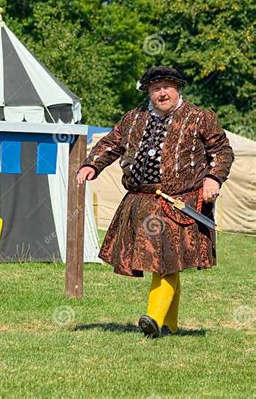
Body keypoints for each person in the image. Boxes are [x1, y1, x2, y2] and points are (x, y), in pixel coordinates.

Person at [77, 66, 234, 338]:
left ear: (177, 88)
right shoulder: (133, 118)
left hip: (180, 202)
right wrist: (92, 164)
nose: (162, 93)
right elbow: (111, 143)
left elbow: (222, 151)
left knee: (166, 262)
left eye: (167, 86)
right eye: (156, 88)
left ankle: (153, 319)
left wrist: (213, 179)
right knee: (161, 263)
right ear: (148, 91)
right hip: (140, 201)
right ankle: (169, 326)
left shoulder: (199, 117)